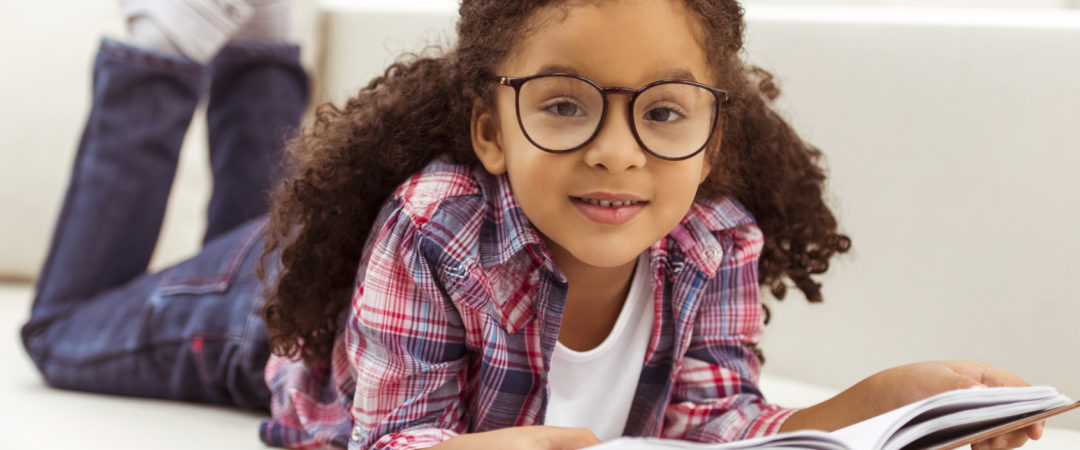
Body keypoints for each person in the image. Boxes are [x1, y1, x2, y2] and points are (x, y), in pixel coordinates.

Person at [21, 1, 1045, 450]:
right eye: (563, 106)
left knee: (262, 201)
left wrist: (876, 405)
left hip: (336, 259)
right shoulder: (436, 225)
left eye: (664, 112)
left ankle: (263, 42)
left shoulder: (717, 241)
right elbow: (391, 436)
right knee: (59, 333)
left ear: (712, 130)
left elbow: (720, 426)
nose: (617, 152)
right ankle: (161, 48)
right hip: (280, 303)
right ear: (491, 130)